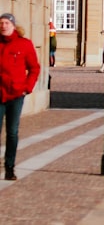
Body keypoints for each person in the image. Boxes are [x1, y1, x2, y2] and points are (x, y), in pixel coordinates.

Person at [0, 13, 40, 180]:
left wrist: (27, 88)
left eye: (6, 23)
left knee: (12, 132)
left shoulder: (24, 44)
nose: (3, 26)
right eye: (1, 23)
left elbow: (34, 68)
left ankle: (10, 166)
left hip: (16, 94)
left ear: (13, 26)